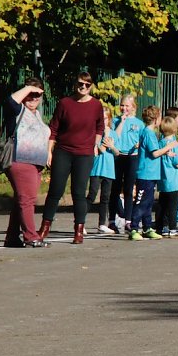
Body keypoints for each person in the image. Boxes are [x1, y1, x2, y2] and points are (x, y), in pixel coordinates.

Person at [38, 71, 105, 244]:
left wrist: (95, 145)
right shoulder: (65, 103)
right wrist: (49, 151)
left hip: (84, 154)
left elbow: (100, 127)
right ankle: (45, 227)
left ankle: (79, 230)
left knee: (79, 192)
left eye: (86, 85)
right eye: (80, 84)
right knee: (55, 190)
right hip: (63, 151)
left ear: (91, 86)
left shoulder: (96, 105)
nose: (83, 87)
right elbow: (53, 128)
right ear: (75, 84)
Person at [2, 78, 51, 248]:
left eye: (37, 95)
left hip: (35, 163)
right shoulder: (18, 110)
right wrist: (29, 88)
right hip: (20, 161)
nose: (34, 98)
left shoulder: (36, 114)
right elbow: (10, 100)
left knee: (21, 200)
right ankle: (31, 236)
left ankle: (12, 237)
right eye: (31, 95)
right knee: (27, 200)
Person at [128, 106, 177, 241]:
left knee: (149, 203)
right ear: (155, 119)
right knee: (141, 202)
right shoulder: (149, 133)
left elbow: (154, 151)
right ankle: (133, 228)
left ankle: (147, 227)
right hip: (145, 174)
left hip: (152, 174)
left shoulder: (150, 133)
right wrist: (168, 147)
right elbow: (155, 153)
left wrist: (166, 152)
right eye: (160, 117)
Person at [107, 95, 145, 234]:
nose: (124, 108)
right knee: (115, 189)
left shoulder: (139, 123)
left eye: (127, 106)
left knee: (129, 189)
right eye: (122, 105)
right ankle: (112, 220)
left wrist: (139, 144)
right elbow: (111, 136)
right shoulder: (115, 121)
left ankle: (128, 220)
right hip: (118, 155)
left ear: (133, 107)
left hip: (132, 157)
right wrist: (120, 122)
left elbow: (143, 139)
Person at [155, 115, 178, 237]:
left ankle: (161, 227)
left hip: (163, 179)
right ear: (174, 129)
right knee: (173, 206)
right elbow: (177, 163)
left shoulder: (160, 143)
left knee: (162, 204)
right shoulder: (174, 144)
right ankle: (172, 228)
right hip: (173, 181)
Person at [87, 104, 119, 234]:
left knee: (105, 198)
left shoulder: (113, 134)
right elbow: (100, 150)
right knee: (92, 195)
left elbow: (117, 152)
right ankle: (80, 221)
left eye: (106, 118)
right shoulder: (96, 134)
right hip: (96, 169)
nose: (104, 120)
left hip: (109, 170)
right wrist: (101, 143)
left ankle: (102, 224)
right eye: (102, 118)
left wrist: (111, 146)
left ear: (109, 119)